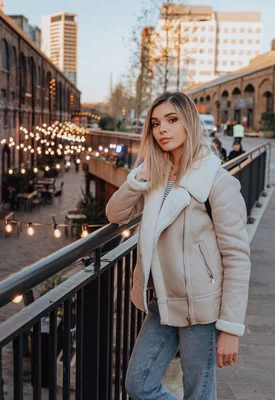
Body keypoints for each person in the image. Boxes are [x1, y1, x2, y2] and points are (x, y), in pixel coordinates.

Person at [106, 92, 251, 399]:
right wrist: (138, 178)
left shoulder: (217, 182)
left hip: (202, 308)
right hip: (163, 302)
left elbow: (237, 258)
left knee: (198, 392)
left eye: (172, 120)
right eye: (156, 123)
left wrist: (231, 328)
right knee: (138, 385)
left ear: (190, 124)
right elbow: (115, 214)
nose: (162, 130)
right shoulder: (155, 177)